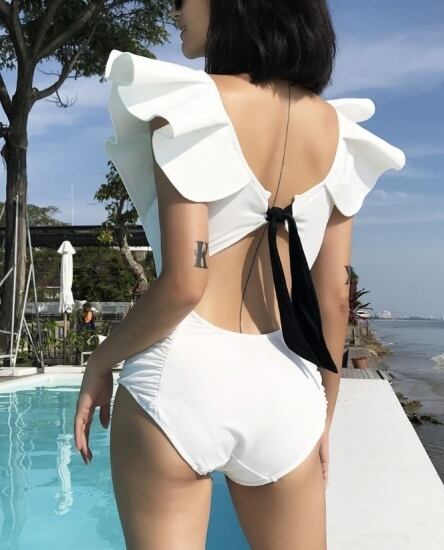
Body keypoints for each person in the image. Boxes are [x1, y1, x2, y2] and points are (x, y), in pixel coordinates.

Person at [74, 1, 406, 548]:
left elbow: (187, 281)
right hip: (286, 389)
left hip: (180, 380)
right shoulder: (340, 134)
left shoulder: (189, 105)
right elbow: (333, 298)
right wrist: (322, 419)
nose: (174, 9)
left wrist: (100, 360)